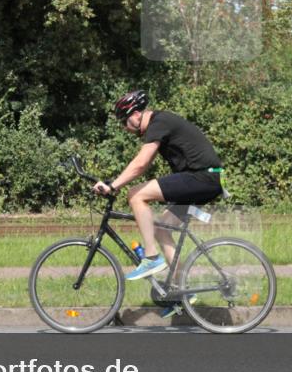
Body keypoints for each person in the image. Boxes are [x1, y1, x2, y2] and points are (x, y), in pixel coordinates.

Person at [92, 89, 224, 282]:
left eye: (124, 122)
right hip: (206, 179)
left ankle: (151, 257)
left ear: (136, 115)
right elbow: (141, 165)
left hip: (202, 177)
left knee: (136, 195)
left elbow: (140, 164)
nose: (124, 128)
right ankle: (181, 290)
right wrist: (114, 183)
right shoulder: (159, 125)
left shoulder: (159, 122)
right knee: (161, 229)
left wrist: (113, 187)